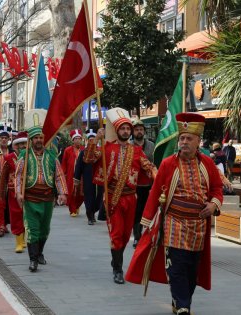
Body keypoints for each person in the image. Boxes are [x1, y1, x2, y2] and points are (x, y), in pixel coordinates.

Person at [125, 112, 223, 315]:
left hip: (198, 226)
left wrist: (213, 205)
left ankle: (180, 300)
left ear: (198, 142)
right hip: (173, 223)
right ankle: (183, 306)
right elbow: (154, 192)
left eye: (189, 138)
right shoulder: (169, 163)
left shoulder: (208, 164)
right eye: (182, 138)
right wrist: (146, 220)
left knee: (192, 270)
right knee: (176, 265)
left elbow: (217, 189)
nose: (184, 142)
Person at [83, 107, 156, 284]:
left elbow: (149, 167)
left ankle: (116, 259)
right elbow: (88, 159)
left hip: (131, 198)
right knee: (116, 235)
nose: (125, 131)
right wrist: (96, 140)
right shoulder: (107, 147)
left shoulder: (137, 151)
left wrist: (160, 176)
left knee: (125, 235)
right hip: (113, 197)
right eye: (122, 128)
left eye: (127, 128)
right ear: (117, 130)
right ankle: (118, 268)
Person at [15, 109, 67, 272]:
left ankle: (39, 253)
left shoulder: (52, 155)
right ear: (31, 139)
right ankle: (32, 260)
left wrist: (63, 193)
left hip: (47, 199)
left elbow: (58, 175)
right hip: (30, 199)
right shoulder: (24, 155)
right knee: (32, 229)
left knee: (45, 230)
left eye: (41, 137)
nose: (38, 140)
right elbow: (18, 177)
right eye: (36, 137)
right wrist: (18, 192)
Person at [0, 131, 28, 252]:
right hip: (13, 192)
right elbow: (3, 176)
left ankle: (25, 239)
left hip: (29, 190)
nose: (23, 146)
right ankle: (18, 242)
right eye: (20, 144)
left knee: (27, 215)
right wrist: (1, 191)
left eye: (25, 144)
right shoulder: (9, 158)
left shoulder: (31, 157)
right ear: (15, 146)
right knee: (16, 215)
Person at [131, 119, 155, 248]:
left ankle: (147, 235)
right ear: (133, 132)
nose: (139, 132)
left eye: (141, 129)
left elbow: (154, 162)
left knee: (148, 211)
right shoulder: (129, 145)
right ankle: (137, 236)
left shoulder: (151, 145)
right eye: (136, 129)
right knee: (136, 212)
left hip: (148, 184)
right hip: (134, 185)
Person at [74, 129, 104, 225]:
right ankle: (90, 216)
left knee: (99, 198)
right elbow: (79, 166)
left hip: (99, 179)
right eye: (90, 140)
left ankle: (93, 211)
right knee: (89, 197)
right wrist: (77, 178)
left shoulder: (102, 151)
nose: (92, 142)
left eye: (94, 140)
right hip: (88, 178)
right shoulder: (84, 152)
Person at [61, 129, 85, 217]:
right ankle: (72, 209)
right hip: (71, 175)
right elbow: (64, 163)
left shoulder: (84, 149)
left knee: (81, 193)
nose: (78, 140)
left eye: (79, 138)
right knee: (71, 192)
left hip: (81, 176)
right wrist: (63, 173)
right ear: (73, 140)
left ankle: (77, 205)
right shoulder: (68, 150)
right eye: (76, 138)